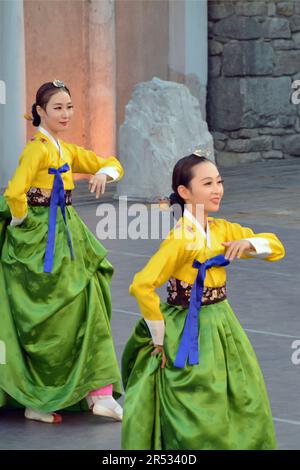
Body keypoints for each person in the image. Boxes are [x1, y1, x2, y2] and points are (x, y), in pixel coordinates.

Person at [121, 153, 285, 450]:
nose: (217, 190)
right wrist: (159, 337)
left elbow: (275, 247)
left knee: (239, 391)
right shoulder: (181, 239)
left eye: (219, 182)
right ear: (185, 192)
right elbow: (142, 284)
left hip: (222, 320)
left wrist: (248, 243)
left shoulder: (222, 230)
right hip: (187, 326)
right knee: (197, 400)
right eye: (207, 183)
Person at [0, 80, 124, 423]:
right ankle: (38, 398)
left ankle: (98, 392)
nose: (66, 114)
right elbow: (14, 192)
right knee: (51, 318)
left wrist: (102, 172)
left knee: (88, 303)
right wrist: (21, 222)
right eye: (57, 107)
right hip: (42, 234)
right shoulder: (36, 149)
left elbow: (112, 162)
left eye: (69, 107)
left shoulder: (66, 150)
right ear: (39, 112)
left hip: (68, 232)